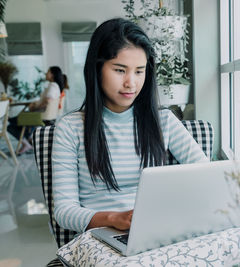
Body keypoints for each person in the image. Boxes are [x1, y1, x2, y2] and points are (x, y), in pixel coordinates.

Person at [52, 18, 208, 234]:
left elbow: (206, 174)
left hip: (155, 231)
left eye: (139, 71)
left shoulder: (165, 121)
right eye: (119, 70)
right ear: (97, 69)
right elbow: (64, 211)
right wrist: (115, 218)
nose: (131, 83)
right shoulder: (70, 128)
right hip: (100, 239)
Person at [7, 66, 66, 154]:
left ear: (52, 75)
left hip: (41, 116)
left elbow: (46, 102)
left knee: (10, 125)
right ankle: (29, 141)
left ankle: (26, 143)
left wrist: (34, 107)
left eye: (48, 72)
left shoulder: (53, 86)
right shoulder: (55, 86)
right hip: (45, 116)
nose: (46, 74)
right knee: (17, 122)